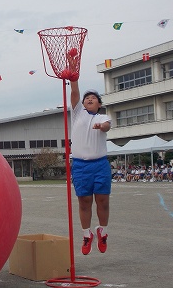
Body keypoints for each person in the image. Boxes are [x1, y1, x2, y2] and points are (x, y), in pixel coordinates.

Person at [69, 67, 112, 255]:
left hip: (100, 163)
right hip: (80, 164)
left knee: (102, 201)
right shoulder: (77, 112)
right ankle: (87, 235)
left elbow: (106, 127)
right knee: (84, 201)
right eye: (87, 98)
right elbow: (75, 91)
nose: (89, 99)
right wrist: (74, 77)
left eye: (93, 98)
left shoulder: (103, 116)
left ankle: (102, 231)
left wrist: (101, 126)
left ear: (99, 104)